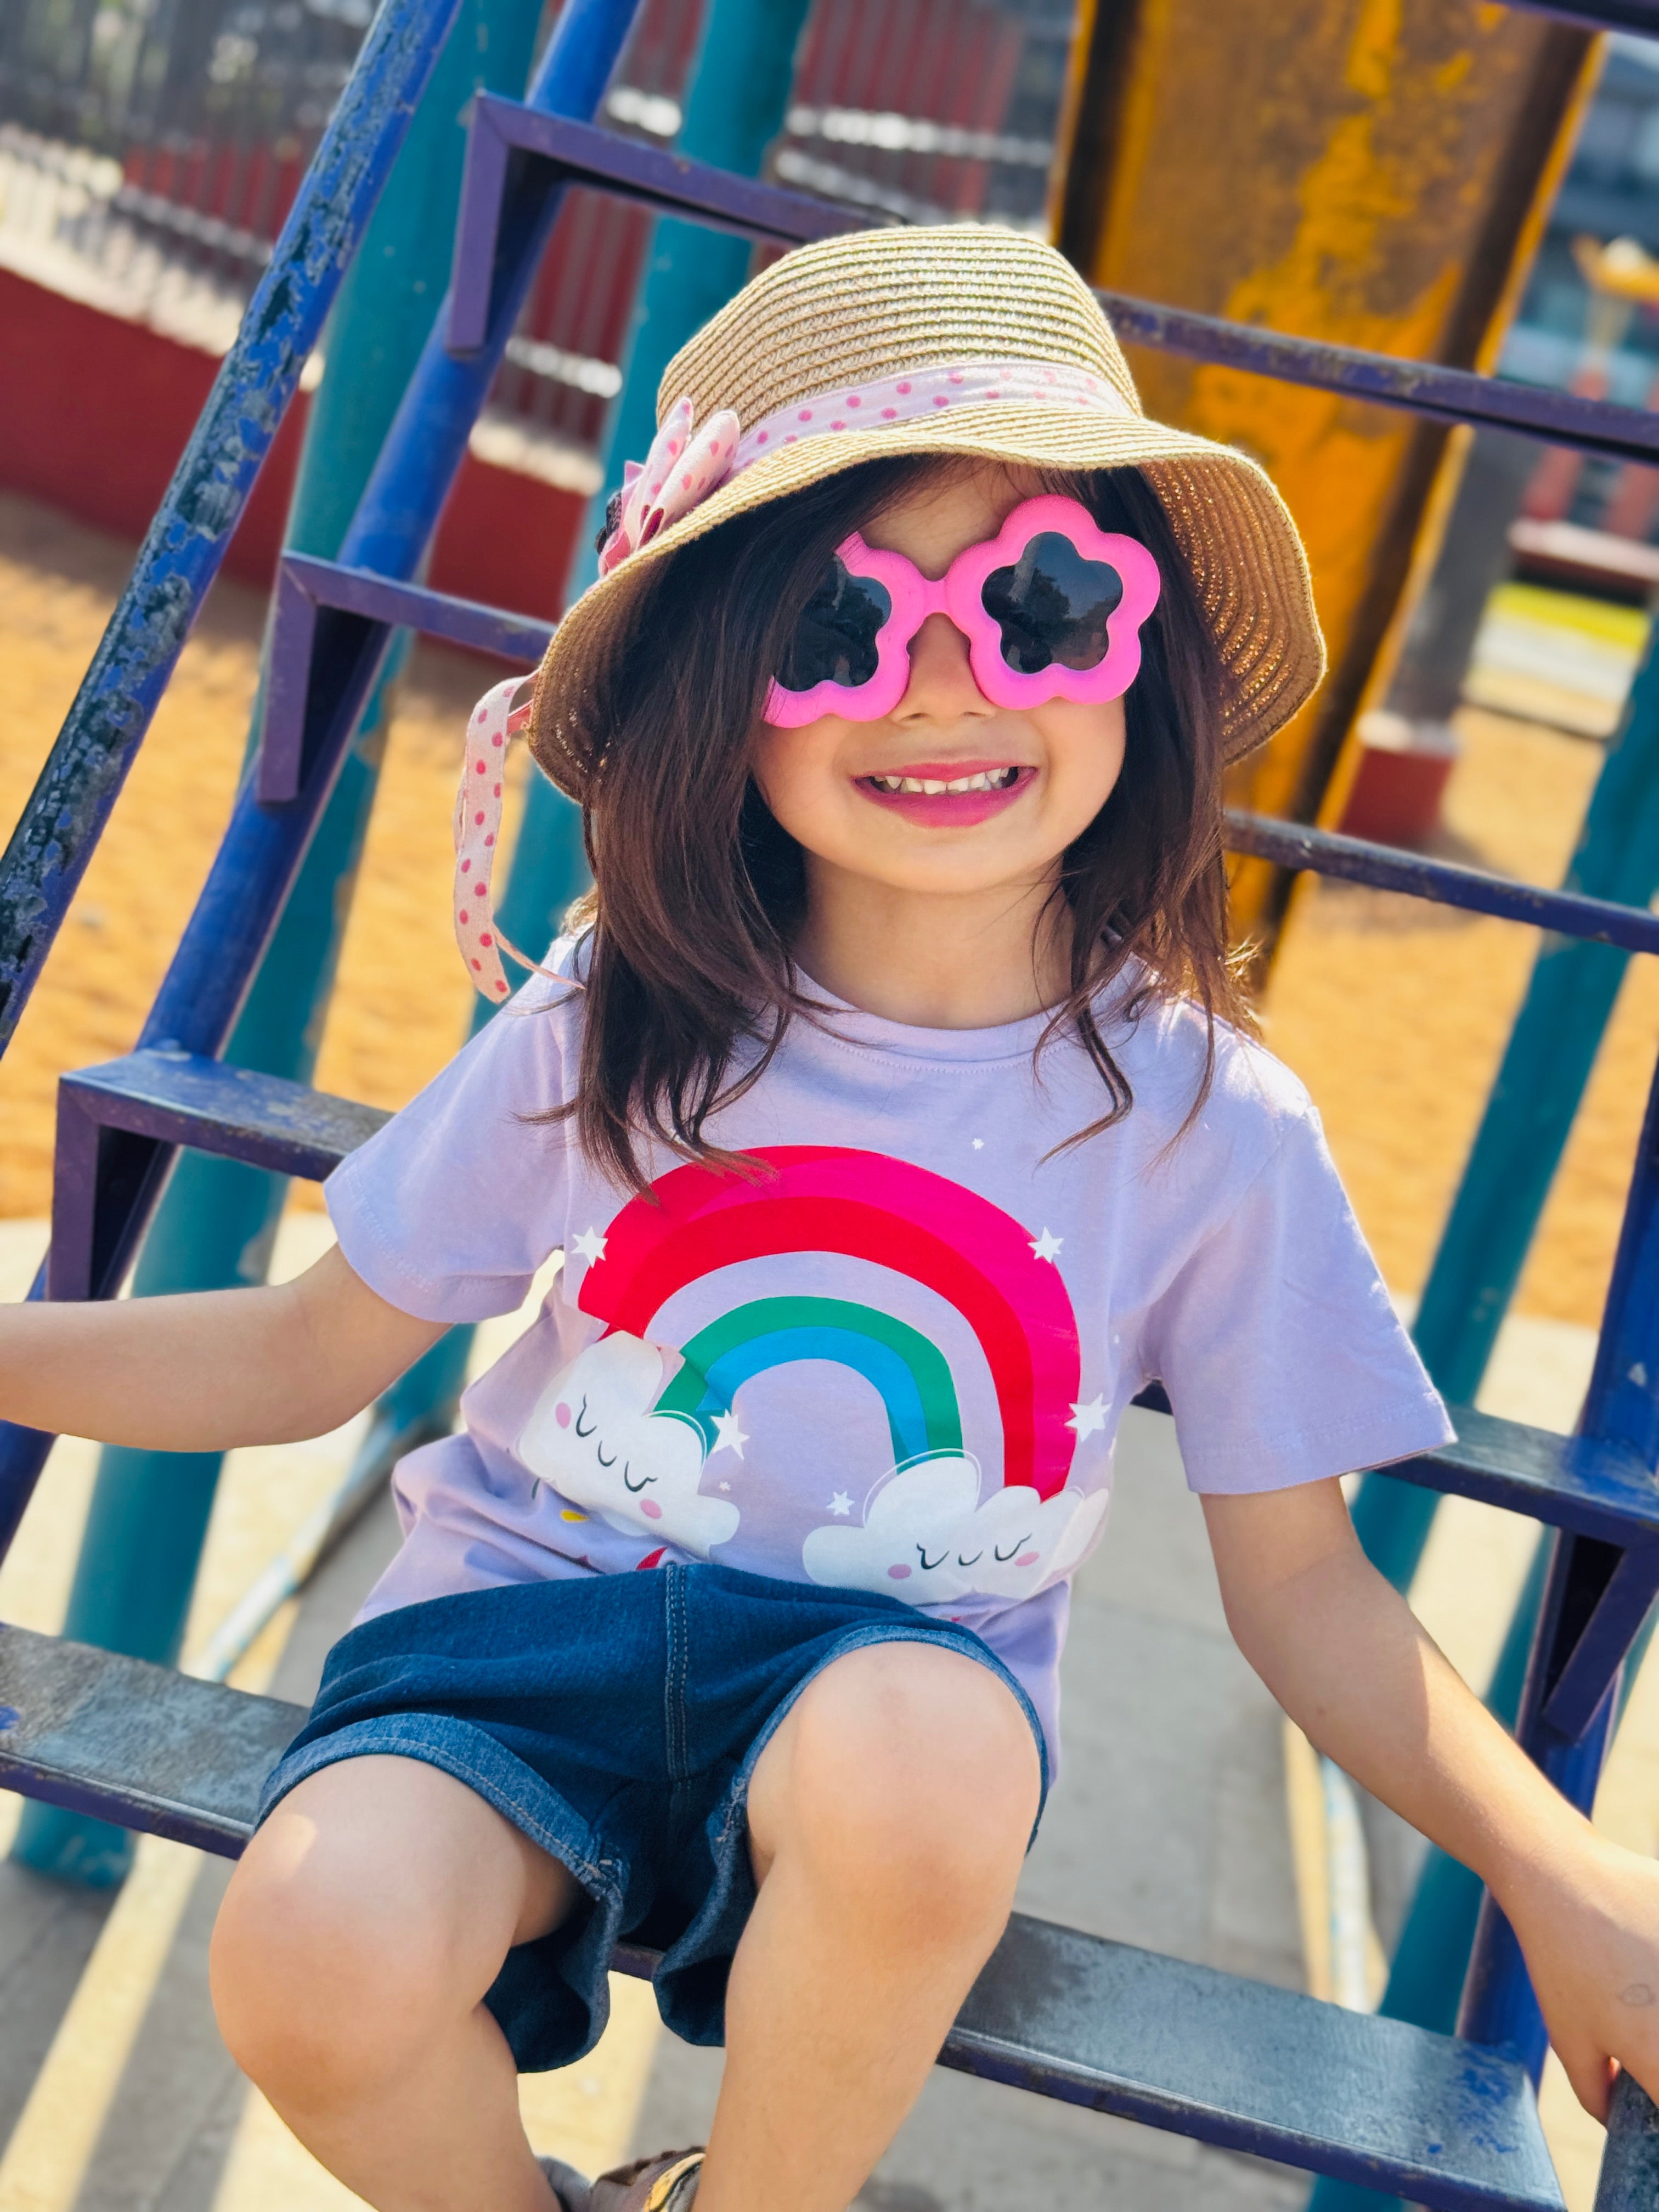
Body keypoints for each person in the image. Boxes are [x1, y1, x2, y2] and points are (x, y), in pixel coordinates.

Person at [4, 226, 1657, 2212]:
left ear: (1143, 659)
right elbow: (302, 1353)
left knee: (921, 1763)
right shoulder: (621, 1008)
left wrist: (1562, 1874)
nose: (947, 687)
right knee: (311, 1949)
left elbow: (1305, 1589)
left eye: (1039, 602)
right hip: (513, 1640)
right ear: (725, 689)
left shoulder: (1208, 1119)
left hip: (885, 1701)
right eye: (833, 628)